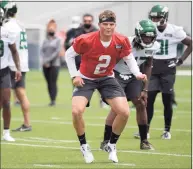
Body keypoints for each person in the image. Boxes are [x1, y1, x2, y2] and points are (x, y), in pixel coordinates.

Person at [65, 10, 147, 163]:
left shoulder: (121, 40)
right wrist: (74, 75)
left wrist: (137, 74)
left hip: (107, 78)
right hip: (86, 78)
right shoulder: (86, 39)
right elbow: (69, 55)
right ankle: (84, 146)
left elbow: (129, 59)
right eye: (105, 24)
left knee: (124, 112)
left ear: (115, 25)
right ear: (99, 25)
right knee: (76, 111)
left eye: (111, 24)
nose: (108, 27)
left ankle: (112, 145)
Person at [100, 19, 159, 150]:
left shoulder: (155, 46)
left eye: (150, 37)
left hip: (135, 76)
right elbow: (110, 60)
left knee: (141, 104)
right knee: (117, 108)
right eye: (145, 36)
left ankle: (144, 141)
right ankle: (105, 141)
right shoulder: (124, 42)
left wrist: (145, 88)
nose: (148, 40)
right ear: (138, 35)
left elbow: (148, 65)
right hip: (117, 74)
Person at [146, 5, 192, 139]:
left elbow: (191, 43)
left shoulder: (175, 30)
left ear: (164, 17)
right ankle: (146, 130)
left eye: (157, 17)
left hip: (168, 68)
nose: (155, 19)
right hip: (152, 67)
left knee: (167, 100)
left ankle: (167, 130)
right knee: (149, 100)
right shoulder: (150, 28)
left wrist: (181, 60)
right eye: (153, 17)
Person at [1, 1, 31, 132]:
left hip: (12, 63)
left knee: (12, 95)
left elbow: (11, 47)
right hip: (22, 61)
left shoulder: (8, 26)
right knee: (19, 93)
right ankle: (26, 123)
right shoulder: (20, 24)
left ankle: (26, 123)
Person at [0, 7, 22, 141]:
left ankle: (6, 132)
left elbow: (14, 51)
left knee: (6, 102)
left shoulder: (6, 32)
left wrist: (18, 68)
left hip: (3, 70)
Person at [41, 19, 61, 106]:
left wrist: (48, 60)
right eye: (50, 29)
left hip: (54, 64)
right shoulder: (45, 40)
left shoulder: (58, 40)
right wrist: (44, 61)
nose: (51, 30)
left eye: (52, 29)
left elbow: (57, 52)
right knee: (48, 82)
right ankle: (50, 99)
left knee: (53, 82)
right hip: (45, 64)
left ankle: (53, 100)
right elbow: (42, 50)